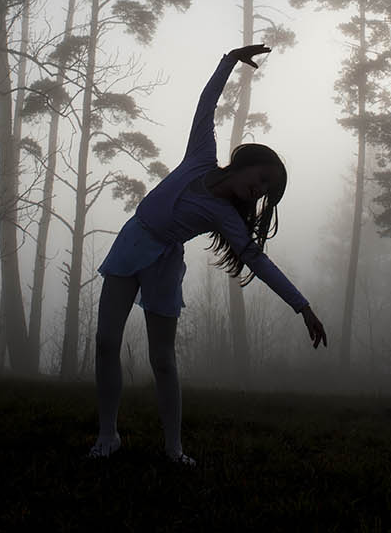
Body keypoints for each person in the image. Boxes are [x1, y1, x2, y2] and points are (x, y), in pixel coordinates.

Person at [88, 43, 328, 465]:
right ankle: (108, 436)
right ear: (248, 161)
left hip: (163, 264)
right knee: (106, 342)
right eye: (263, 178)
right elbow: (206, 104)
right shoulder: (201, 157)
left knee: (162, 360)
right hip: (131, 243)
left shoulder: (227, 217)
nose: (261, 190)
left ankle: (174, 449)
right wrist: (230, 60)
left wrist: (302, 306)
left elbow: (258, 260)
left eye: (268, 192)